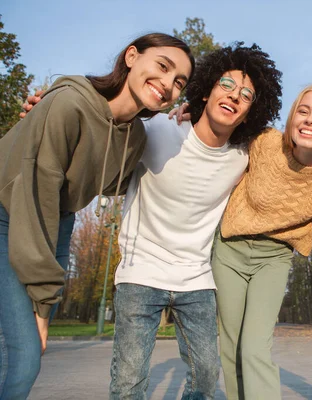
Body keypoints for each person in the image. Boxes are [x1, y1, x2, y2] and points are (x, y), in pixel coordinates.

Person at [0, 33, 194, 400]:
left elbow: (114, 180)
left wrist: (178, 128)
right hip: (13, 215)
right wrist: (43, 304)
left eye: (179, 82)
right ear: (132, 56)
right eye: (163, 67)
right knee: (23, 357)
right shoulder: (69, 104)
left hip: (59, 223)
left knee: (19, 353)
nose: (168, 84)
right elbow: (33, 197)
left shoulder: (134, 134)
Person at [110, 43, 283, 399]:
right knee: (128, 383)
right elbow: (103, 122)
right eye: (227, 85)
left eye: (247, 95)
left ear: (251, 112)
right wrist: (48, 106)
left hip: (196, 279)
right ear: (206, 90)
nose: (235, 97)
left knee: (205, 378)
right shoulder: (158, 130)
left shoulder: (242, 157)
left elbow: (302, 159)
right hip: (140, 272)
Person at [211, 84, 312, 400]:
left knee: (255, 346)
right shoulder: (265, 141)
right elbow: (219, 130)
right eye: (303, 111)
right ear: (292, 116)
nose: (310, 120)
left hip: (274, 256)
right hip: (230, 248)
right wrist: (187, 113)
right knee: (229, 346)